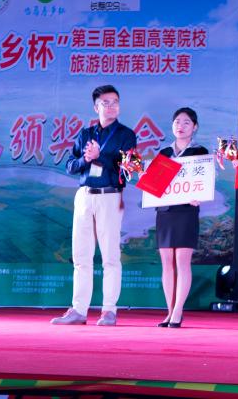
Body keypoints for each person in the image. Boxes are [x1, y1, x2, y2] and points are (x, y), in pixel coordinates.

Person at [52, 85, 138, 326]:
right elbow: (70, 166)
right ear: (95, 107)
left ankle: (109, 310)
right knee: (81, 256)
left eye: (115, 102)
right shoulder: (85, 134)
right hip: (85, 195)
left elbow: (130, 169)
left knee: (110, 256)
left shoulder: (126, 135)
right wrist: (86, 158)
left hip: (110, 195)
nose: (111, 106)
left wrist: (101, 157)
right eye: (105, 102)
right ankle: (79, 309)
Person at [154, 107, 209, 328]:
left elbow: (205, 181)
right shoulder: (164, 152)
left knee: (182, 261)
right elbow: (155, 183)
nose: (181, 126)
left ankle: (178, 311)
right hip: (165, 211)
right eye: (177, 121)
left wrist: (199, 195)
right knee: (167, 262)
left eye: (186, 122)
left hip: (186, 210)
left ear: (194, 127)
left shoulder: (199, 151)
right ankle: (169, 311)